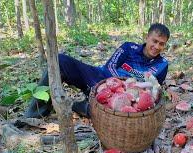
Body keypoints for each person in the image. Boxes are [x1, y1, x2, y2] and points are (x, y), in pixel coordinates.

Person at [24, 23, 170, 118]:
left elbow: (155, 87)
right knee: (60, 60)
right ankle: (35, 113)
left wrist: (167, 92)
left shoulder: (162, 64)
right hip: (99, 78)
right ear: (147, 37)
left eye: (162, 44)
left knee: (115, 114)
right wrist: (119, 84)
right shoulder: (128, 47)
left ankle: (77, 106)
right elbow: (110, 66)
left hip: (127, 97)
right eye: (154, 41)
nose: (157, 46)